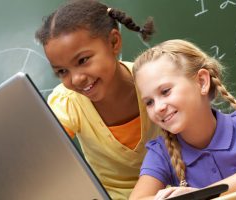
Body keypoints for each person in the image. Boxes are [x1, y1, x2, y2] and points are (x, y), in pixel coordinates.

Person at [129, 39, 236, 200]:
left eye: (165, 91)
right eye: (149, 102)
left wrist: (202, 195)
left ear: (202, 82)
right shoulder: (162, 152)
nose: (158, 107)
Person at [35, 0, 161, 199]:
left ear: (113, 42)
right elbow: (41, 151)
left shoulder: (156, 81)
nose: (76, 79)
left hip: (176, 188)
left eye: (83, 60)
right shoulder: (68, 102)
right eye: (62, 71)